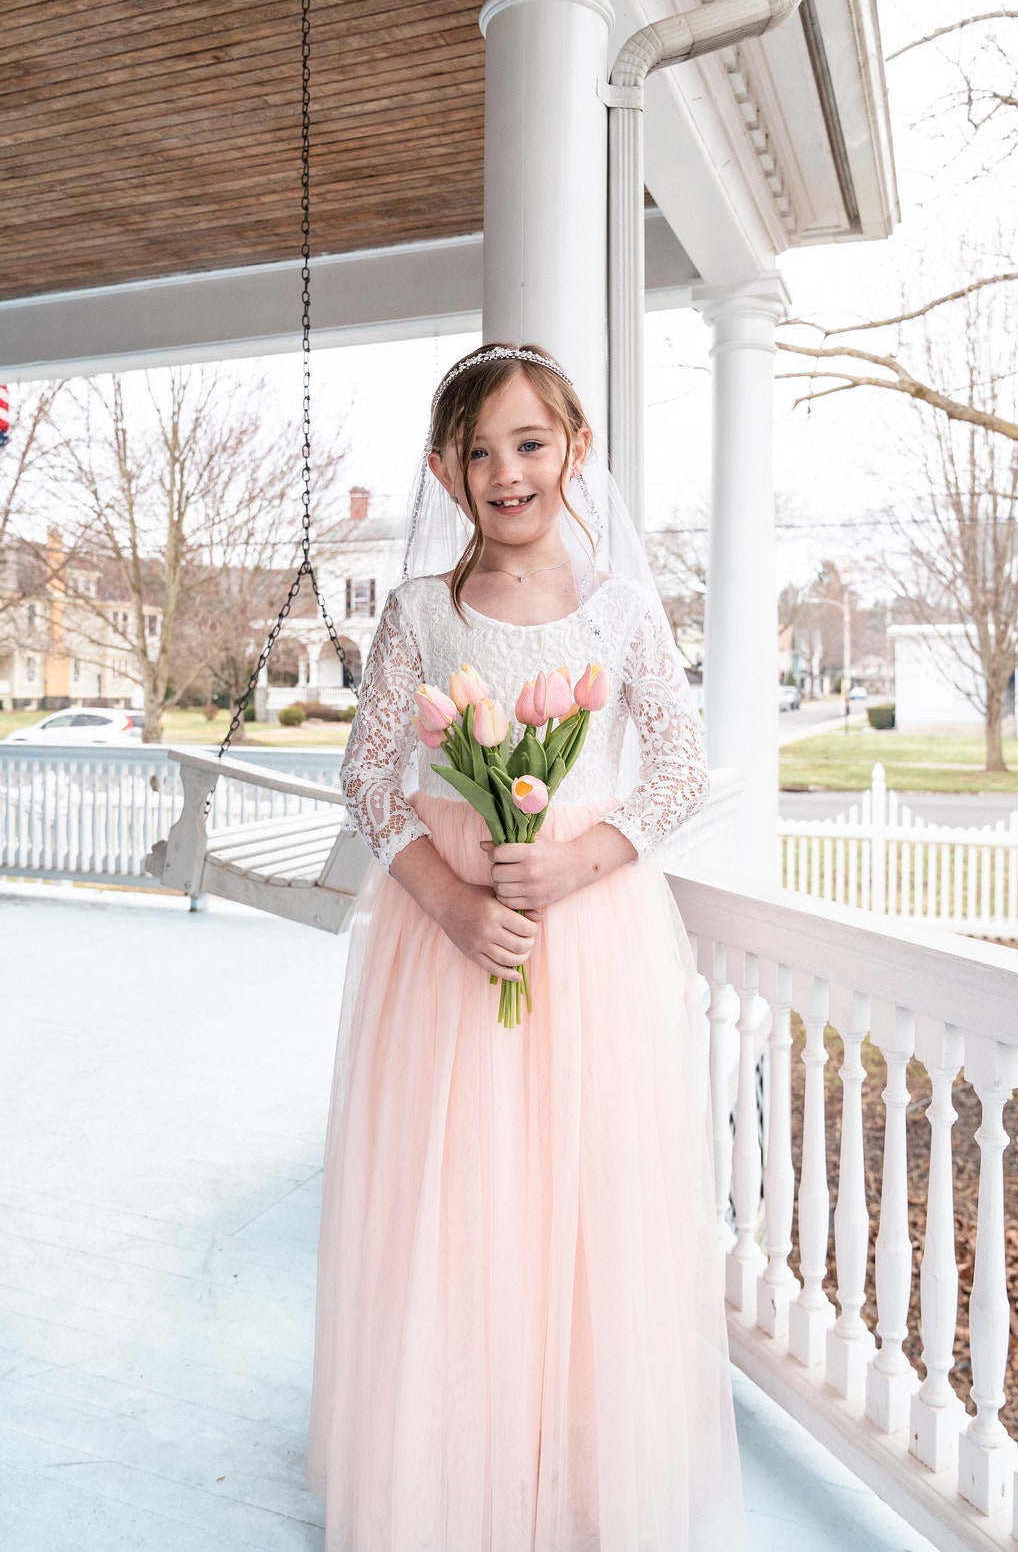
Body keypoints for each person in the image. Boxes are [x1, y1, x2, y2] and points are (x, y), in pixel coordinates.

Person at [307, 343, 743, 1550]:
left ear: (576, 452)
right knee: (456, 1194)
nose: (507, 472)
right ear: (445, 473)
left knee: (578, 1193)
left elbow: (679, 769)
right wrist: (452, 902)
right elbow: (368, 778)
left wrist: (575, 861)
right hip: (447, 943)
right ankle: (454, 1468)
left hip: (589, 942)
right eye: (479, 452)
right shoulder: (419, 613)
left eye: (531, 444)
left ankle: (577, 1469)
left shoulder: (622, 610)